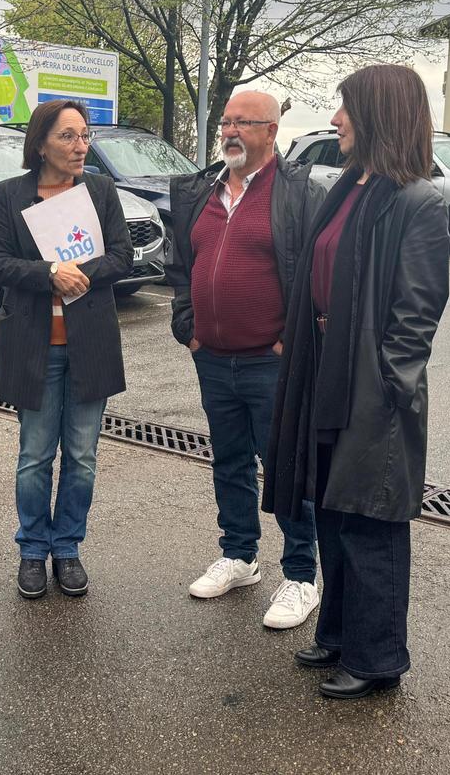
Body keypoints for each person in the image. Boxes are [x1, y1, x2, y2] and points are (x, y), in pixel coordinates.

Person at [263, 65, 450, 699]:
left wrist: (390, 387)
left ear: (377, 115)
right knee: (335, 512)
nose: (336, 119)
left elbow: (416, 313)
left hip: (371, 387)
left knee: (372, 521)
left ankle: (377, 659)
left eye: (345, 108)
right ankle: (340, 634)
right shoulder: (350, 187)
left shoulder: (415, 200)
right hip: (326, 370)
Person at [167, 91, 325, 629]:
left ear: (272, 130)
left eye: (243, 123)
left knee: (285, 466)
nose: (230, 132)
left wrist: (288, 339)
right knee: (229, 460)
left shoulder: (297, 191)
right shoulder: (199, 191)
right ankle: (240, 556)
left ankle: (302, 576)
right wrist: (188, 328)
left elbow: (313, 274)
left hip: (270, 360)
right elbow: (180, 265)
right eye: (226, 122)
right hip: (211, 357)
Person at [0, 99, 132, 599]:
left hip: (90, 344)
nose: (80, 145)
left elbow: (121, 255)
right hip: (35, 345)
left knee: (83, 456)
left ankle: (67, 547)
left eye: (85, 135)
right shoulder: (11, 195)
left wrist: (80, 274)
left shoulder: (100, 190)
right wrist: (48, 272)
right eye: (68, 136)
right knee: (34, 456)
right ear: (42, 142)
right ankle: (32, 550)